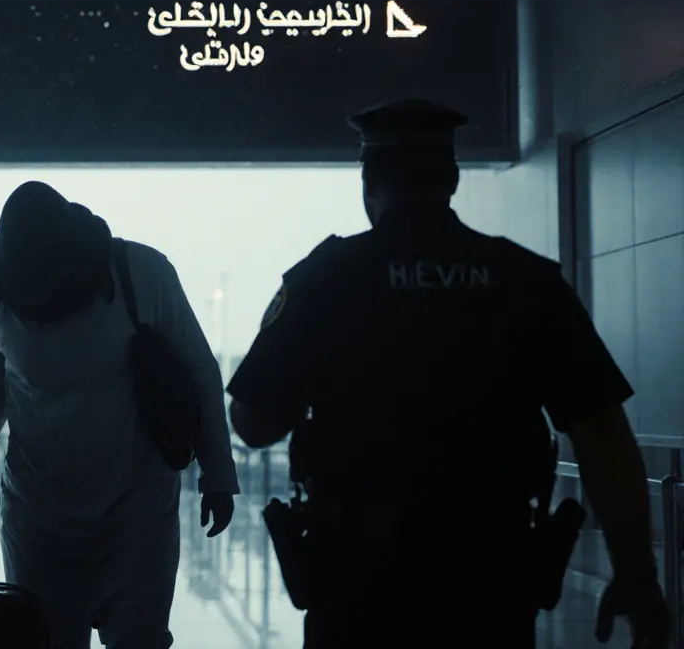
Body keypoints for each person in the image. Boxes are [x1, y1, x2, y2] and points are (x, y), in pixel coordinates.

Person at [226, 99, 671, 648]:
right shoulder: (525, 280)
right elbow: (601, 430)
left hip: (357, 579)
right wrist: (636, 573)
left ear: (370, 181)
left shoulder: (325, 280)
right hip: (491, 576)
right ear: (453, 179)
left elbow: (251, 423)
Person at [0, 181, 240, 649]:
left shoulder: (142, 273)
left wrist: (219, 474)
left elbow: (200, 371)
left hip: (136, 511)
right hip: (38, 517)